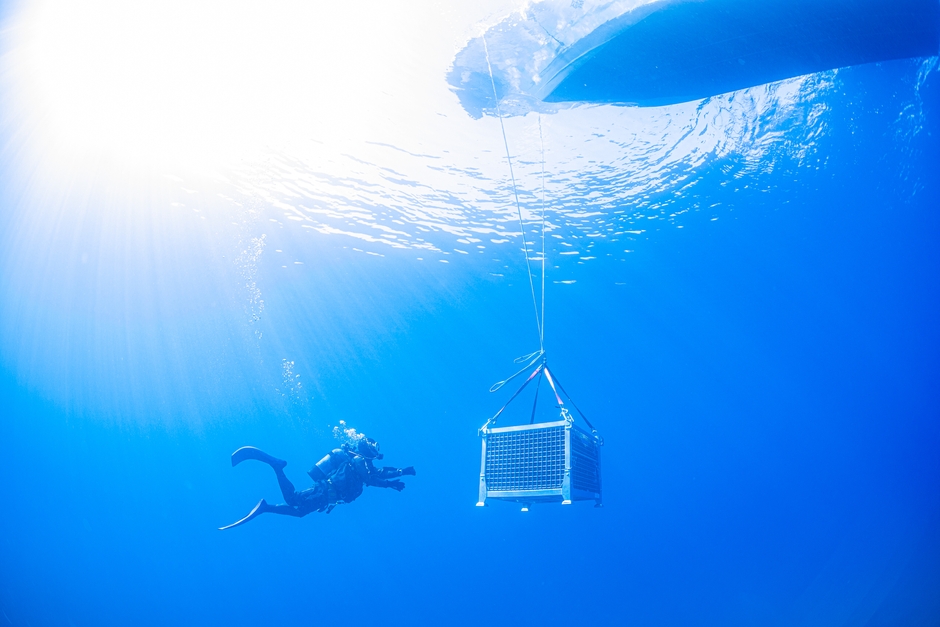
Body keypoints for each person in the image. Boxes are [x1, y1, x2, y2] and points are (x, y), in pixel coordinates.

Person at [219, 437, 415, 530]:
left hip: (328, 496)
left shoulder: (364, 464)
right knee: (293, 500)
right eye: (374, 447)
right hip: (326, 491)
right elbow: (371, 479)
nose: (376, 451)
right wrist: (391, 484)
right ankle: (276, 466)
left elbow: (378, 473)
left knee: (299, 510)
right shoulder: (358, 461)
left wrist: (401, 472)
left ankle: (266, 506)